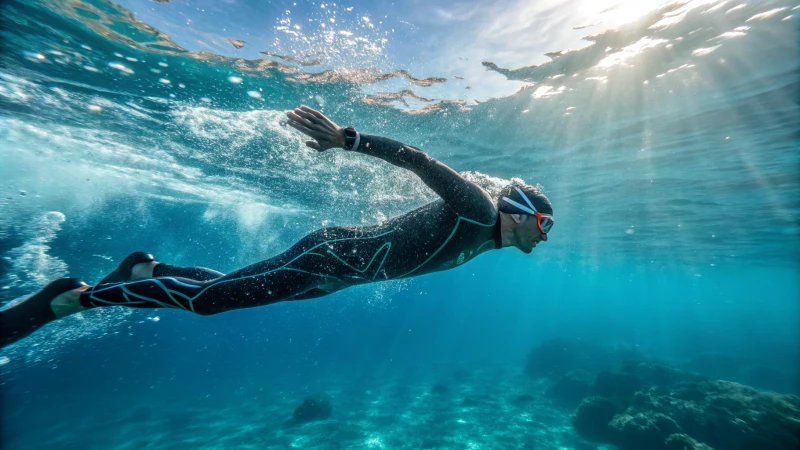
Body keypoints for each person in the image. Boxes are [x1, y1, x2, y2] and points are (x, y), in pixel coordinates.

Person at [0, 106, 553, 347]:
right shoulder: (480, 210)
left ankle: (146, 269)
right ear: (518, 209)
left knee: (225, 286)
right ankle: (71, 298)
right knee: (210, 302)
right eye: (544, 222)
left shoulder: (489, 240)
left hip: (333, 277)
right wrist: (350, 141)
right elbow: (422, 161)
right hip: (326, 258)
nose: (545, 236)